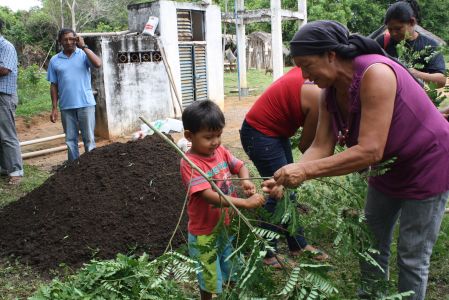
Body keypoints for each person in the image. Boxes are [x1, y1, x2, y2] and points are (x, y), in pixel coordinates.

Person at [263, 20, 449, 300]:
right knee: (370, 244)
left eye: (306, 65)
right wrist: (290, 174)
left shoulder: (376, 74)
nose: (305, 75)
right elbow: (322, 146)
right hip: (388, 168)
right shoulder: (329, 91)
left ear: (330, 55)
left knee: (412, 255)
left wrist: (306, 172)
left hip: (428, 164)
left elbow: (370, 150)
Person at [239, 67, 328, 268]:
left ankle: (297, 244)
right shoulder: (319, 95)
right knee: (278, 192)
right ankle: (267, 253)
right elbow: (307, 146)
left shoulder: (312, 72)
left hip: (273, 133)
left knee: (288, 191)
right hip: (260, 134)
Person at [180, 100, 265, 300]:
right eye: (208, 137)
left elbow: (240, 165)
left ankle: (236, 294)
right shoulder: (190, 163)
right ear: (189, 136)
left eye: (218, 135)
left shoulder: (220, 151)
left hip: (225, 226)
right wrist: (245, 203)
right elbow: (208, 196)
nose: (215, 141)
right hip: (204, 233)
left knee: (233, 265)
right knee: (208, 276)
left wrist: (244, 181)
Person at [47, 28, 102, 161]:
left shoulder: (83, 54)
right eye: (65, 39)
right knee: (70, 140)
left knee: (88, 138)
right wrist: (54, 107)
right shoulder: (54, 60)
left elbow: (98, 63)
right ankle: (73, 169)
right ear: (60, 41)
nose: (69, 42)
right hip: (66, 106)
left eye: (72, 39)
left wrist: (84, 46)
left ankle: (91, 165)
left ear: (76, 40)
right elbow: (53, 85)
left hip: (86, 104)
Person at [375, 0, 446, 88]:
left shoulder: (429, 45)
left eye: (398, 29)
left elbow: (441, 80)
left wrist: (415, 74)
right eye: (390, 29)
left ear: (412, 22)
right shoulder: (382, 41)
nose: (393, 33)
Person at [0, 19, 23, 185]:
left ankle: (16, 171)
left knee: (7, 135)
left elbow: (4, 70)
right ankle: (4, 167)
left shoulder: (6, 46)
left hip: (3, 96)